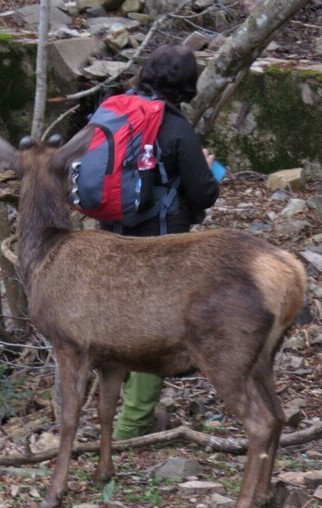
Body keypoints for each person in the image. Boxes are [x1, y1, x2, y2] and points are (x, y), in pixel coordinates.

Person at [100, 44, 221, 440]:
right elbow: (203, 194)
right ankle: (132, 424)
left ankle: (108, 416)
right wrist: (206, 166)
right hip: (159, 245)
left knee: (115, 322)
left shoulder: (114, 110)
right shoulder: (176, 128)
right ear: (188, 84)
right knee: (151, 330)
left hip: (112, 235)